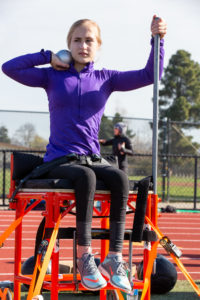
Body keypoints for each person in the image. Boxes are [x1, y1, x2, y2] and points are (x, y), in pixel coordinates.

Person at [2, 15, 167, 293]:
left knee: (119, 178)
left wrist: (157, 41)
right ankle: (84, 257)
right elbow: (9, 67)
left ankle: (114, 259)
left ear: (98, 47)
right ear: (68, 46)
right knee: (86, 177)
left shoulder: (107, 79)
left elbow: (151, 75)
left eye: (89, 40)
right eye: (77, 40)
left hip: (90, 156)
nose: (83, 45)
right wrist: (47, 56)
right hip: (60, 160)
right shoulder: (50, 75)